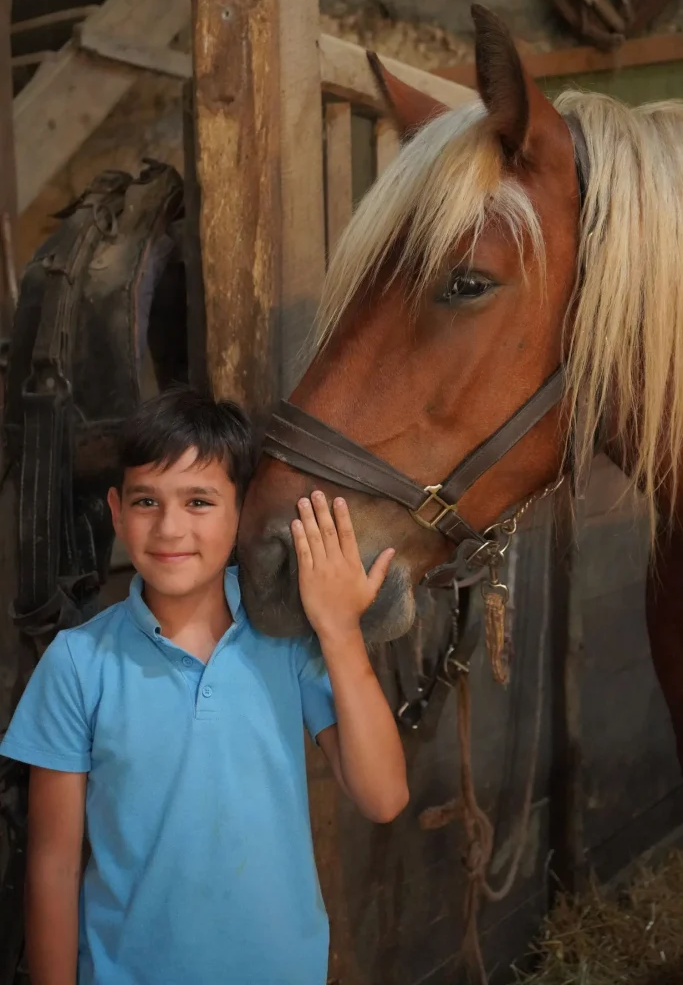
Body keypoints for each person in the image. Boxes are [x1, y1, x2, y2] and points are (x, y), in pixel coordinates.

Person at [0, 387, 408, 985]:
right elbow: (54, 866)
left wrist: (339, 627)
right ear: (116, 512)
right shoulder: (78, 662)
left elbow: (384, 797)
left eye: (198, 500)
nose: (169, 528)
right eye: (146, 501)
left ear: (242, 511)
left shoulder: (290, 641)